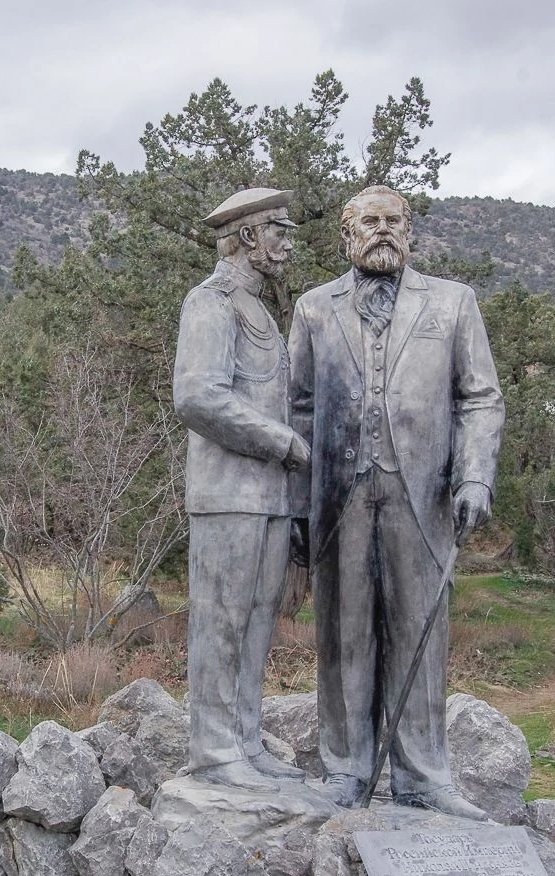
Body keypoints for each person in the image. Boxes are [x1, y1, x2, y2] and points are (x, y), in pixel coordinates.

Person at [288, 184, 504, 819]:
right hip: (339, 496)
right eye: (370, 221)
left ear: (409, 231)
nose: (382, 230)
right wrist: (297, 500)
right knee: (344, 632)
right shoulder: (313, 309)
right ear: (347, 235)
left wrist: (475, 478)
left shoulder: (454, 303)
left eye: (393, 220)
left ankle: (423, 775)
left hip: (424, 494)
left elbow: (480, 398)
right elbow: (296, 408)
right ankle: (345, 768)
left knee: (420, 629)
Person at [174, 187, 311, 793]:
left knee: (257, 620)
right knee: (221, 621)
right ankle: (212, 749)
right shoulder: (210, 303)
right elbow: (197, 396)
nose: (287, 241)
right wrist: (280, 441)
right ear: (249, 235)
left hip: (268, 497)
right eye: (279, 229)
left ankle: (245, 741)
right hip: (227, 494)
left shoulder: (257, 308)